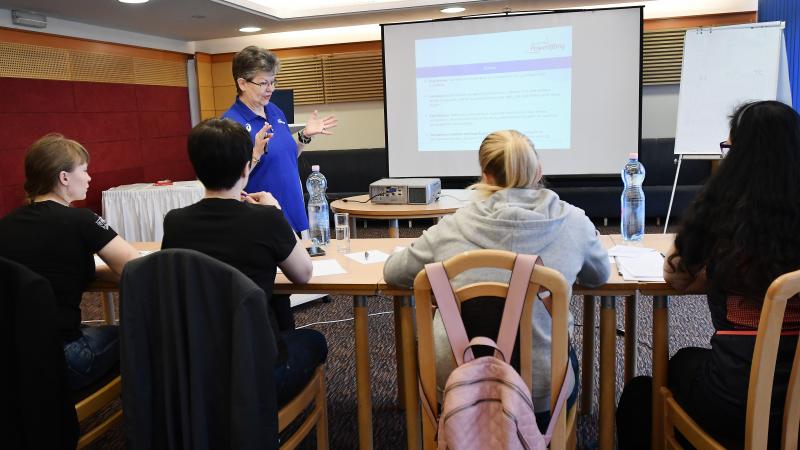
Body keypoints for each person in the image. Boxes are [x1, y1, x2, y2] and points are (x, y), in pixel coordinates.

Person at [383, 129, 611, 427]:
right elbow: (599, 275)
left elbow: (394, 272)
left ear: (485, 176)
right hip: (542, 394)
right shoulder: (575, 223)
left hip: (456, 388)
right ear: (538, 170)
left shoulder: (451, 226)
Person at [616, 100, 800, 449]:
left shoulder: (726, 215)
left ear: (740, 157)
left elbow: (677, 278)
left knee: (645, 392)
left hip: (736, 401)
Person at [161, 118, 327, 407]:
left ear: (197, 169)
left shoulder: (174, 222)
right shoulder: (266, 218)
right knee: (314, 340)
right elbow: (303, 273)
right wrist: (277, 212)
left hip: (196, 364)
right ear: (246, 167)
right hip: (255, 368)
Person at [0, 134, 139, 392]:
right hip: (64, 359)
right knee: (139, 333)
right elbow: (136, 268)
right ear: (64, 178)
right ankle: (138, 422)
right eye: (84, 171)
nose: (89, 178)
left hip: (12, 360)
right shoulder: (81, 221)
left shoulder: (5, 226)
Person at [222, 45, 338, 235]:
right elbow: (228, 184)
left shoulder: (275, 111)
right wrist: (255, 155)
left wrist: (305, 136)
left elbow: (288, 155)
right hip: (262, 222)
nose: (271, 89)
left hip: (295, 213)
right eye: (263, 83)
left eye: (273, 82)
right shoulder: (230, 124)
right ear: (242, 83)